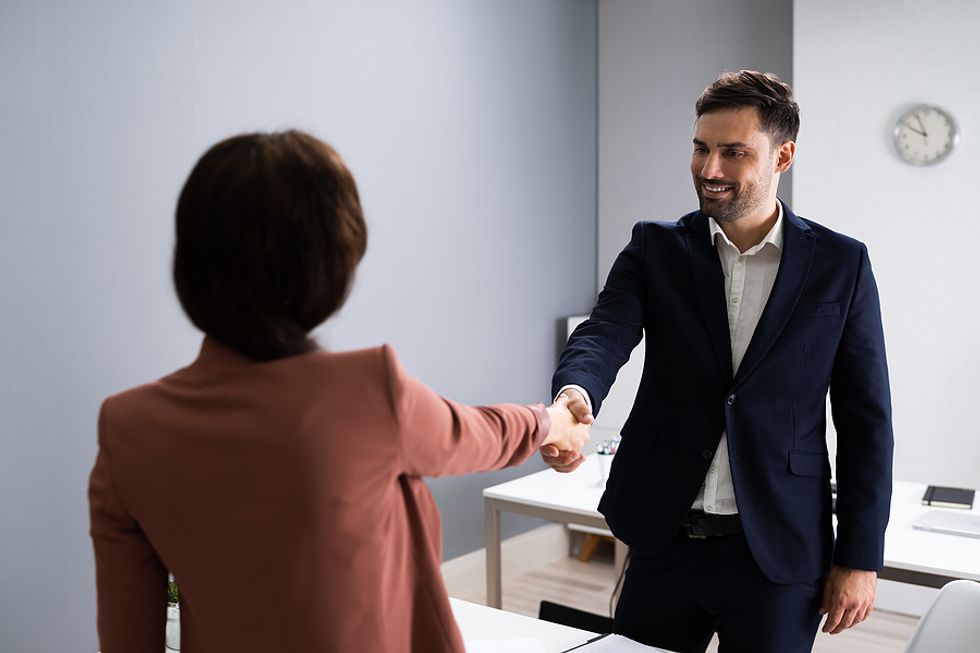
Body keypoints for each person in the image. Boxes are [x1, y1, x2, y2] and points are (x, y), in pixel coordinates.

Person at [88, 130, 590, 653]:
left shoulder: (127, 428)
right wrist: (552, 421)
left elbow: (126, 638)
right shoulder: (366, 390)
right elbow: (475, 434)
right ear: (332, 265)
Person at [543, 70, 893, 652]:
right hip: (662, 539)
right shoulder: (656, 246)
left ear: (783, 156)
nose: (709, 170)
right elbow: (604, 333)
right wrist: (575, 395)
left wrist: (860, 557)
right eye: (701, 148)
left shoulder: (842, 265)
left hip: (778, 551)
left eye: (734, 153)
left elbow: (866, 421)